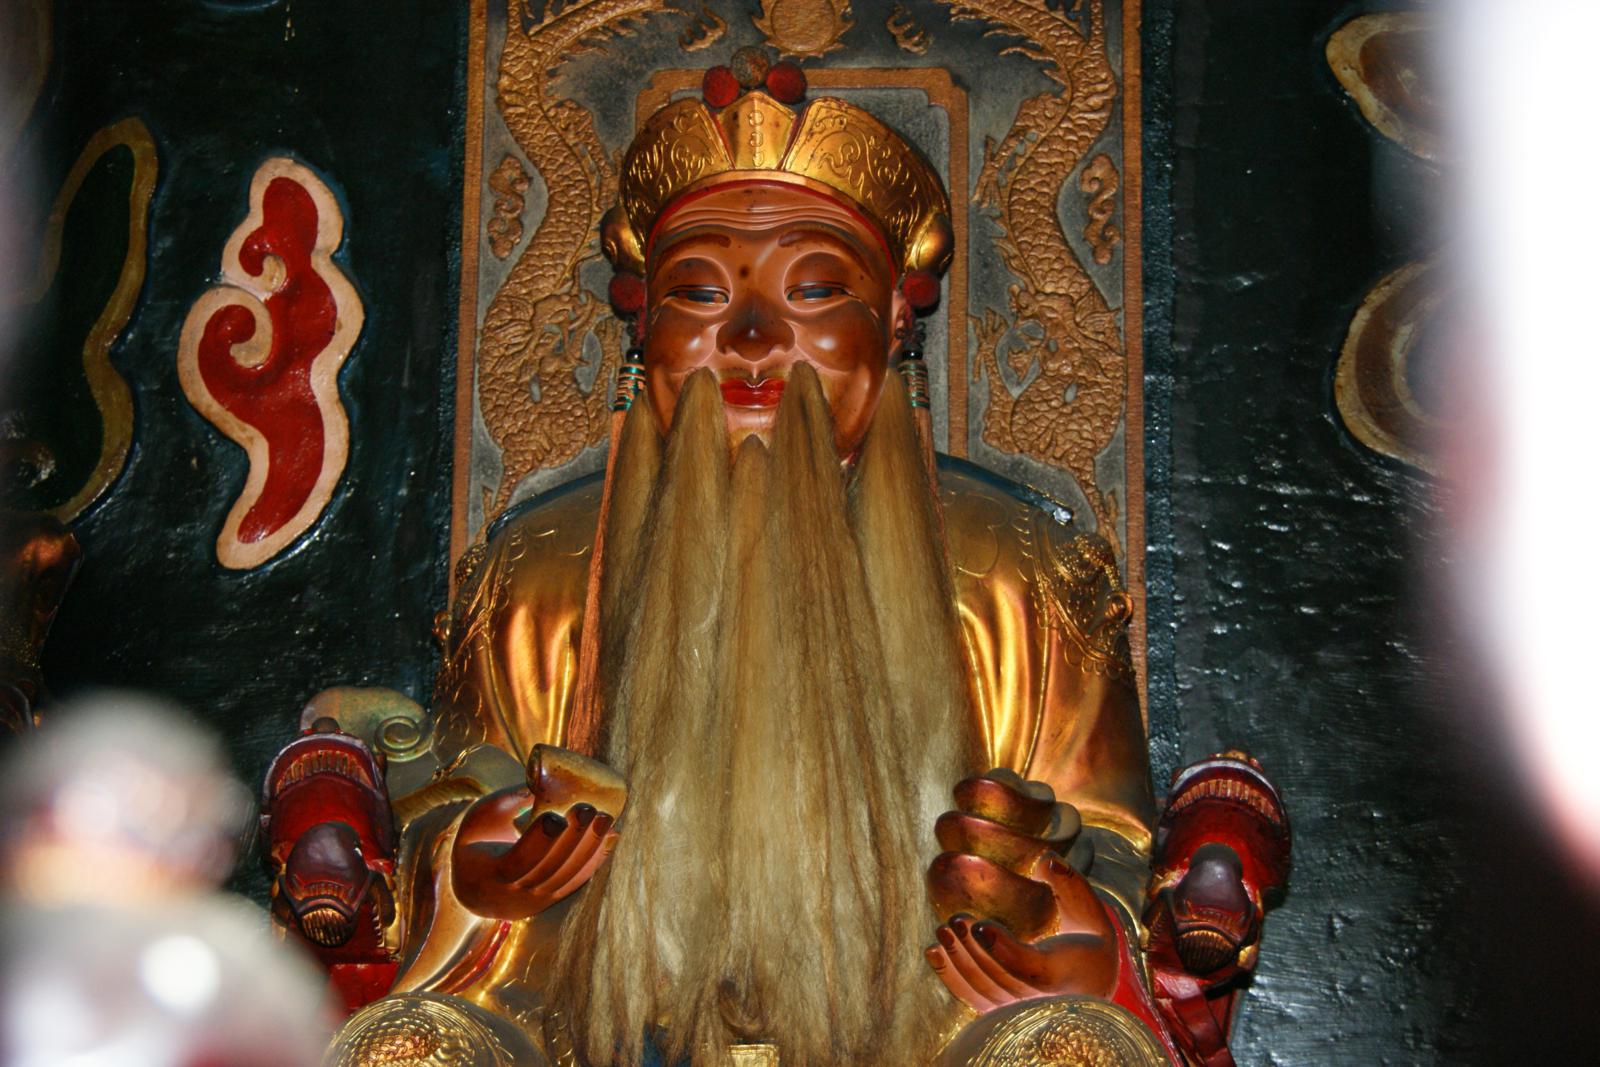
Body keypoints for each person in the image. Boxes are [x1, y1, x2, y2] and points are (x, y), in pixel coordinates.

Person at [265, 57, 1286, 1067]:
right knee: (408, 1049)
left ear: (894, 317)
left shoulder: (1019, 565)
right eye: (699, 293)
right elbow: (449, 806)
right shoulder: (539, 566)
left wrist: (1073, 924)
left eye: (815, 290)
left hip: (934, 1033)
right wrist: (476, 867)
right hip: (594, 1027)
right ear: (645, 326)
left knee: (1071, 1051)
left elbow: (1111, 844)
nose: (753, 338)